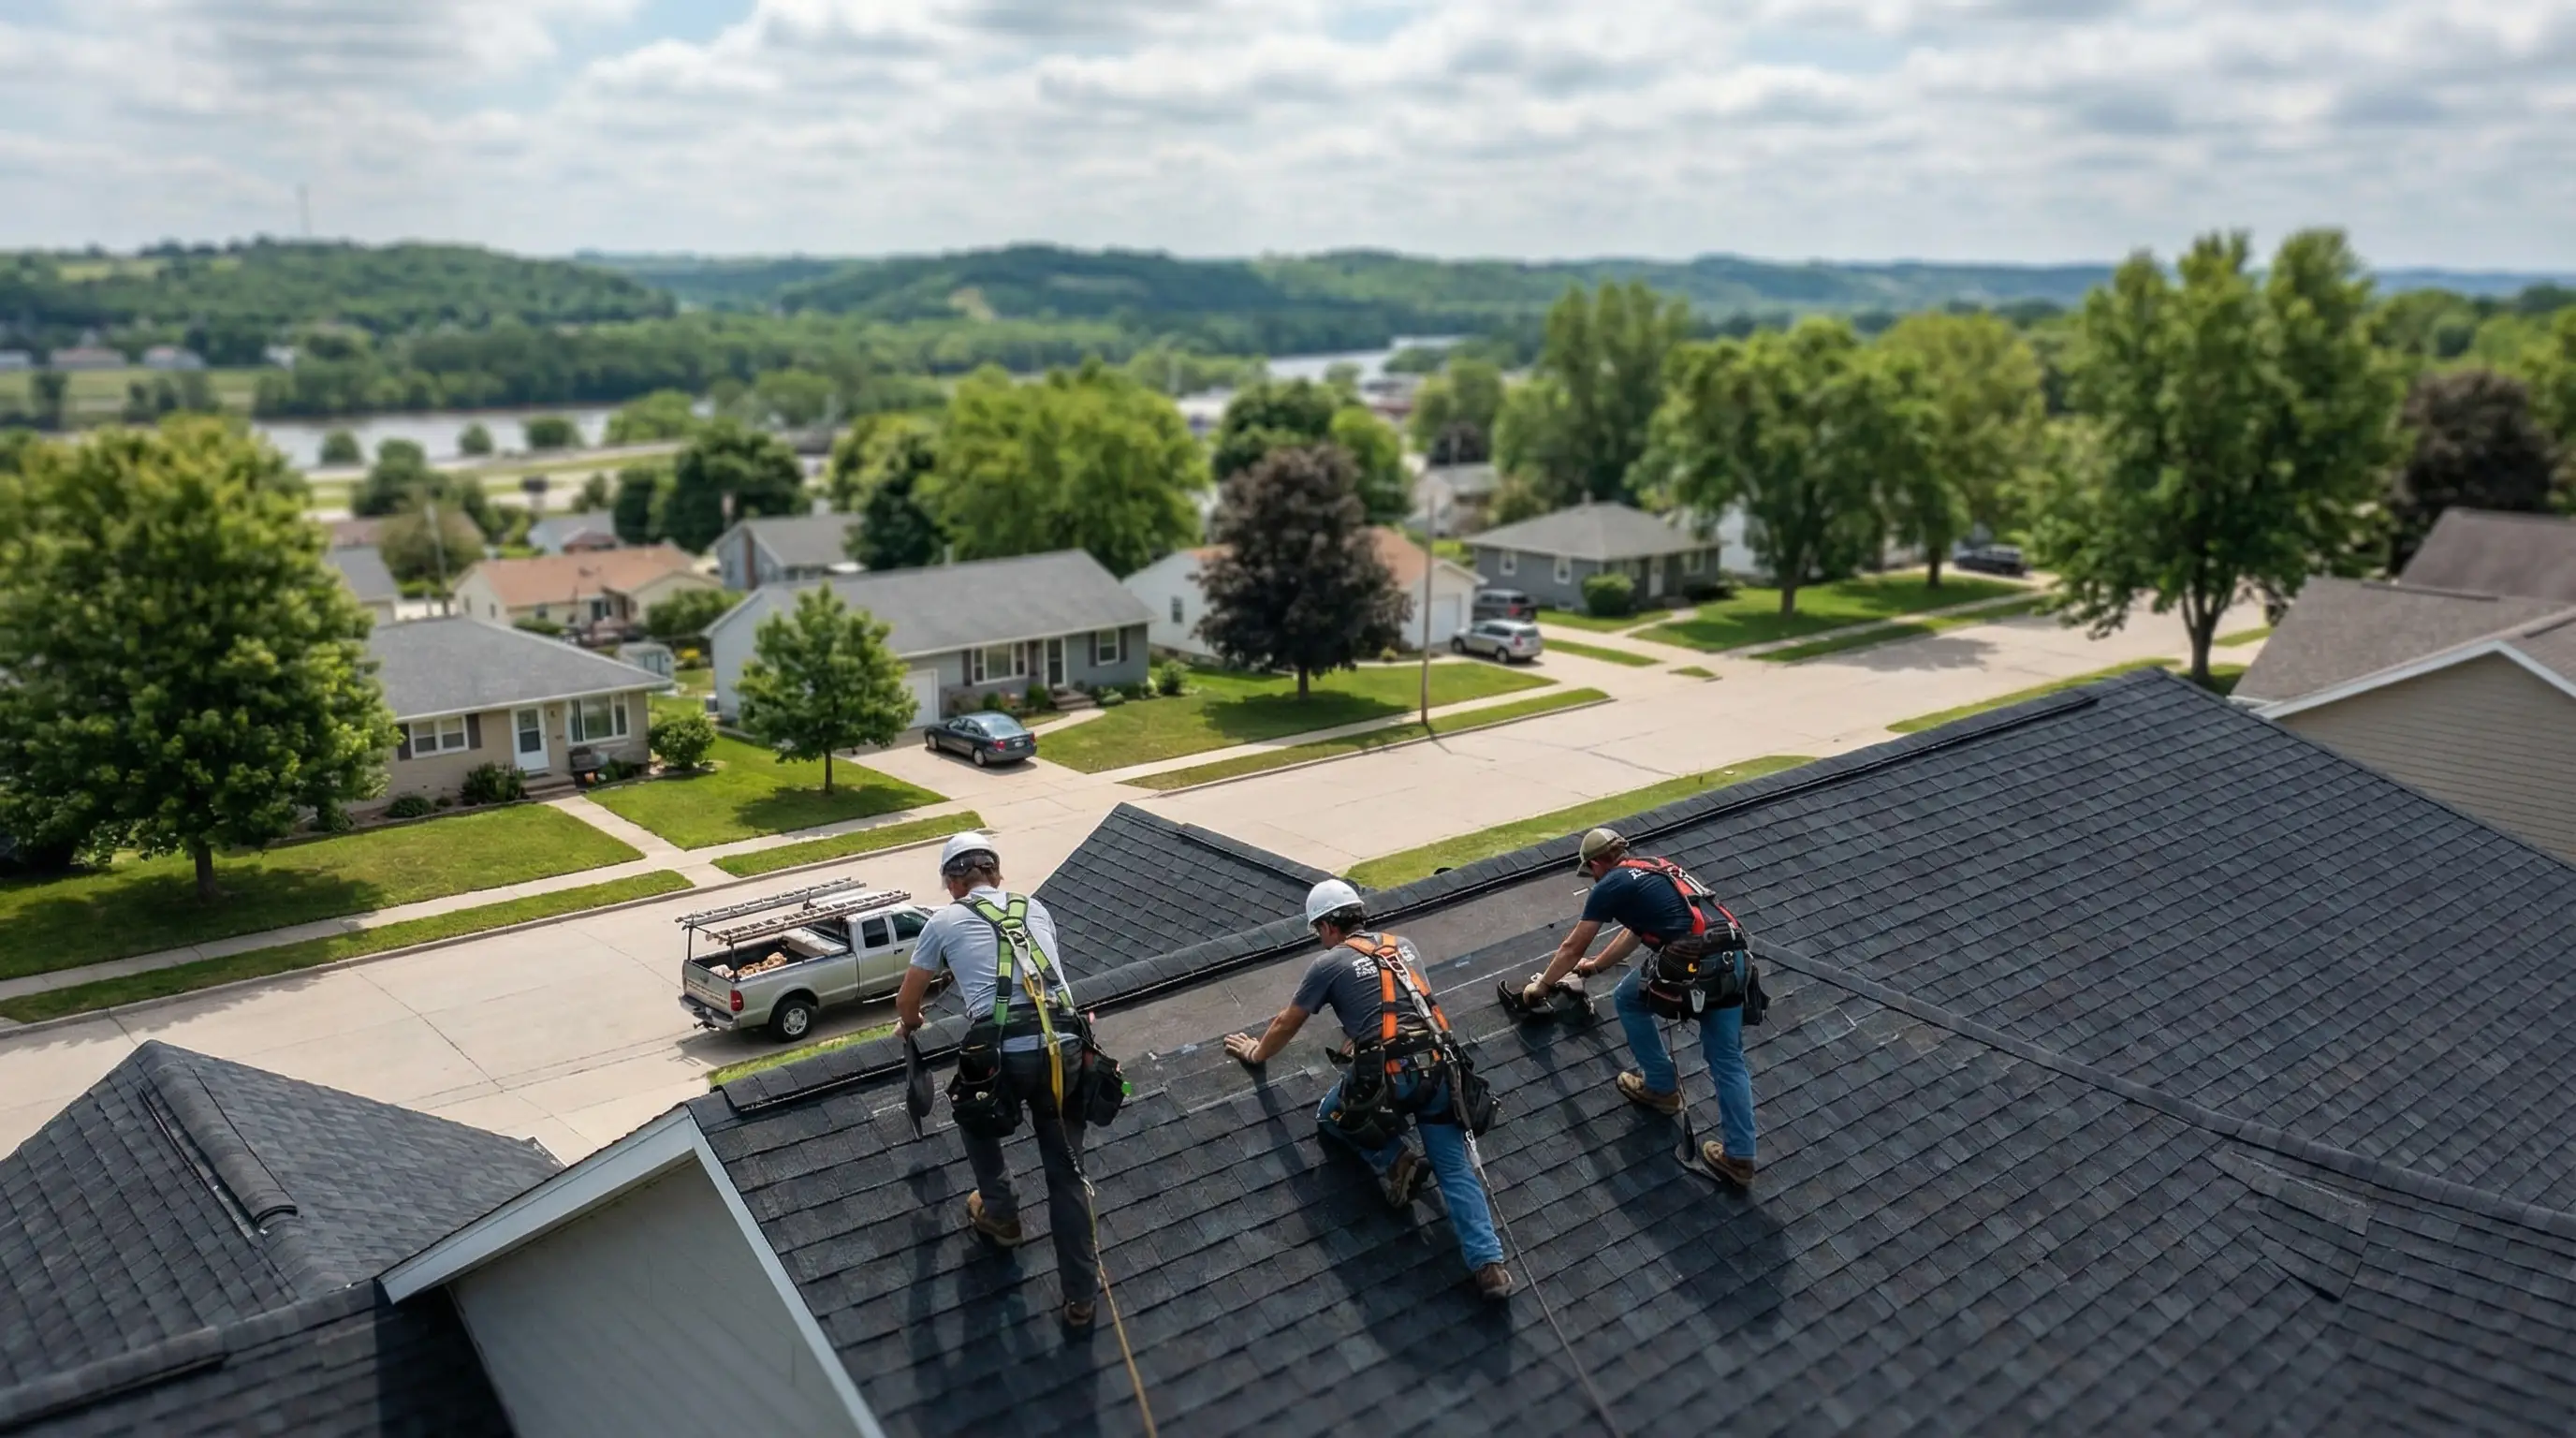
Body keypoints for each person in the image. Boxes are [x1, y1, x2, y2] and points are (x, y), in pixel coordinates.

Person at [1227, 879, 1516, 1300]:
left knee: (1332, 1114)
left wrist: (1256, 1054)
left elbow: (1287, 1023)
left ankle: (1396, 1159)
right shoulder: (1404, 945)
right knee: (1454, 1169)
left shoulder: (1328, 965)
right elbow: (1403, 1005)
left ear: (1327, 925)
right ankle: (1490, 1266)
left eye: (1317, 932)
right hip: (1438, 1070)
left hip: (1392, 1079)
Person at [896, 830, 1098, 1330]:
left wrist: (912, 1024)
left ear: (950, 882)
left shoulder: (944, 921)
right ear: (997, 874)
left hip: (1003, 1058)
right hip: (1065, 1050)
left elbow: (907, 1001)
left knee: (973, 1110)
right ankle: (1081, 1302)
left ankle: (1002, 1213)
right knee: (1067, 1175)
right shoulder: (1036, 907)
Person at [1521, 827, 1758, 1189]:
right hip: (1735, 957)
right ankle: (1740, 1158)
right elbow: (1634, 932)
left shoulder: (1611, 884)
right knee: (1727, 1059)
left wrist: (1541, 987)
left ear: (1598, 863)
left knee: (1628, 998)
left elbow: (1571, 947)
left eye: (1591, 871)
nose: (1593, 878)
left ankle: (1662, 1088)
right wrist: (1596, 966)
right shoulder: (1655, 867)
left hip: (1696, 963)